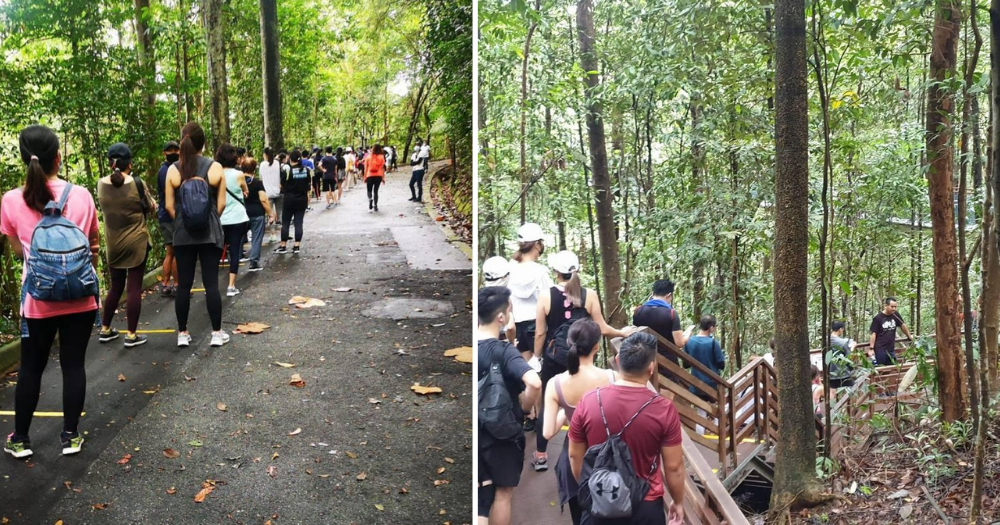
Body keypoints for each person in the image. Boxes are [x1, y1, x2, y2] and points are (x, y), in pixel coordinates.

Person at [1, 125, 100, 458]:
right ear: (58, 157)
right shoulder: (83, 195)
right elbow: (92, 243)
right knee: (74, 366)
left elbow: (18, 251)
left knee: (31, 367)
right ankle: (70, 436)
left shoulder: (12, 200)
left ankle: (21, 440)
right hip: (81, 297)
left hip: (38, 302)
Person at [533, 250, 636, 472]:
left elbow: (540, 333)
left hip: (554, 358)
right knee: (589, 400)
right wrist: (621, 332)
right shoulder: (588, 295)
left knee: (548, 404)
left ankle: (541, 454)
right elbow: (601, 327)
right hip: (583, 359)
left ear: (555, 272)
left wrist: (536, 357)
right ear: (576, 270)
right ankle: (591, 446)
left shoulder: (545, 296)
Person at [568, 332, 685, 525]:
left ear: (617, 360)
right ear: (651, 367)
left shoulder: (588, 401)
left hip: (599, 504)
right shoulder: (663, 409)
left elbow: (574, 455)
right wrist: (678, 502)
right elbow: (673, 467)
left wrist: (595, 487)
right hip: (645, 505)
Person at [542, 319, 617, 525]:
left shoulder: (555, 384)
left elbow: (548, 432)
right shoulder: (612, 378)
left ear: (568, 343)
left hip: (574, 457)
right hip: (607, 453)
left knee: (581, 517)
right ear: (596, 347)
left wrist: (567, 412)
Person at [477, 286, 542, 525]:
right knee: (502, 494)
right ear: (501, 317)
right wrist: (525, 408)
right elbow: (534, 382)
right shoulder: (504, 351)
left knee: (481, 499)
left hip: (477, 430)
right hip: (502, 433)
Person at [165, 122, 229, 348]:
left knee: (183, 284)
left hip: (183, 235)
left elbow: (169, 207)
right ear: (203, 143)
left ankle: (182, 333)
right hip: (209, 233)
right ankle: (216, 333)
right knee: (211, 283)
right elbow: (221, 204)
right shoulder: (215, 168)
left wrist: (185, 222)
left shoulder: (173, 170)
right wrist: (207, 218)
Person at [97, 143, 155, 348]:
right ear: (130, 162)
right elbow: (152, 207)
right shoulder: (137, 183)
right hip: (136, 242)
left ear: (110, 163)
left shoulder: (100, 184)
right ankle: (131, 334)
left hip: (113, 244)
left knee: (116, 286)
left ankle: (105, 329)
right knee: (134, 287)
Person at [633, 279, 695, 374]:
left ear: (653, 293)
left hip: (643, 361)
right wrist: (688, 333)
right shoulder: (671, 314)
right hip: (667, 363)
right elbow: (679, 343)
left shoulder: (638, 311)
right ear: (669, 295)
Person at [216, 144, 250, 297]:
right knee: (235, 251)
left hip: (220, 218)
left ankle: (212, 286)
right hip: (237, 218)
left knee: (215, 252)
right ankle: (231, 286)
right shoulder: (239, 174)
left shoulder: (214, 174)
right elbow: (245, 191)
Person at [683, 315, 724, 434]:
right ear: (711, 327)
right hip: (711, 383)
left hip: (696, 382)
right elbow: (721, 363)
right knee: (716, 411)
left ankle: (700, 438)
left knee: (701, 411)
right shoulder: (713, 343)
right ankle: (717, 435)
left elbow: (686, 364)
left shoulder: (689, 342)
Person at [156, 141, 180, 297]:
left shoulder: (169, 169)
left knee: (170, 251)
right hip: (169, 215)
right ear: (164, 153)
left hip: (166, 215)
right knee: (175, 251)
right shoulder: (166, 171)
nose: (173, 152)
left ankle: (165, 284)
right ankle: (176, 285)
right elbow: (170, 192)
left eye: (175, 149)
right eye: (169, 150)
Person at [275, 150, 310, 255]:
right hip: (302, 200)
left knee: (286, 222)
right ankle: (296, 245)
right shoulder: (306, 171)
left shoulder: (287, 171)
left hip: (289, 200)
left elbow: (281, 185)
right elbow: (309, 186)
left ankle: (283, 245)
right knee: (299, 222)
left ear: (290, 159)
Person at [242, 158, 270, 272]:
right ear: (254, 169)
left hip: (241, 213)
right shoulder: (257, 183)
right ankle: (253, 262)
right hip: (257, 213)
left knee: (238, 237)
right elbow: (263, 199)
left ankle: (238, 255)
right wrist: (271, 213)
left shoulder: (237, 181)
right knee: (256, 238)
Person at [868, 297, 913, 366]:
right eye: (892, 307)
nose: (894, 309)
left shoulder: (895, 315)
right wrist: (871, 348)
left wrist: (909, 336)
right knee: (881, 369)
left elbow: (902, 325)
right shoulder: (878, 318)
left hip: (891, 349)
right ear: (886, 306)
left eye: (895, 307)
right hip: (880, 350)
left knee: (892, 368)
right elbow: (874, 333)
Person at [484, 255, 516, 342]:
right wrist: (511, 344)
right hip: (501, 340)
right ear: (504, 277)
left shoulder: (481, 296)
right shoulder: (505, 298)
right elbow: (510, 327)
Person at [260, 147, 282, 244]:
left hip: (267, 193)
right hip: (277, 191)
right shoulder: (277, 163)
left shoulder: (262, 165)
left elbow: (261, 177)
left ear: (265, 154)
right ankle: (282, 234)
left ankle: (273, 235)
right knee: (279, 214)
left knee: (270, 214)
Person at [828, 320, 856, 389]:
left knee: (833, 393)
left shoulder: (826, 341)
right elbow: (849, 358)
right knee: (853, 388)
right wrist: (852, 348)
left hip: (830, 373)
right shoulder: (842, 343)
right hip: (842, 374)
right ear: (840, 329)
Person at [364, 144, 387, 212]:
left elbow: (366, 168)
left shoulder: (368, 157)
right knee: (376, 191)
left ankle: (370, 199)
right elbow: (383, 168)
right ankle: (375, 206)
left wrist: (365, 177)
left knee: (369, 190)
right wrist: (383, 178)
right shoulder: (382, 157)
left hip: (369, 175)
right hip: (378, 176)